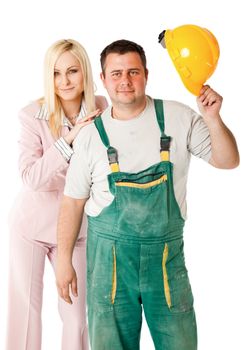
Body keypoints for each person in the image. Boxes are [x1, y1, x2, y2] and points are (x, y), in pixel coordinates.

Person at [56, 39, 239, 350]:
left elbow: (228, 160)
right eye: (116, 74)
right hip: (109, 264)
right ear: (102, 79)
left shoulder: (178, 118)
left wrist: (212, 117)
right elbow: (73, 202)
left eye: (133, 72)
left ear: (146, 74)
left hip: (166, 261)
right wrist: (63, 260)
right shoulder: (89, 136)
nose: (125, 81)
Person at [6, 39, 107, 350]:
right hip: (31, 228)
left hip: (77, 230)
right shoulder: (31, 115)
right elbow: (31, 177)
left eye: (72, 71)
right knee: (26, 314)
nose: (64, 82)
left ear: (85, 73)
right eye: (56, 73)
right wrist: (69, 139)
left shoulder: (101, 108)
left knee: (77, 318)